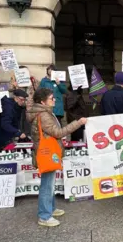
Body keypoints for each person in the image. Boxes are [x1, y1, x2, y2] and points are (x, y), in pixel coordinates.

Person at [26, 88, 87, 227]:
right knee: (47, 185)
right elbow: (58, 133)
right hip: (47, 153)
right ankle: (44, 216)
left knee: (50, 183)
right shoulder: (44, 115)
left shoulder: (43, 112)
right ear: (43, 101)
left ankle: (51, 209)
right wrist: (78, 123)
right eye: (51, 98)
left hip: (47, 152)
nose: (54, 100)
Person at [0, 90, 29, 155]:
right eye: (22, 100)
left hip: (8, 134)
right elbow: (5, 124)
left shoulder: (16, 105)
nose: (23, 102)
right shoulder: (8, 107)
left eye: (24, 100)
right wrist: (17, 132)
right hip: (3, 135)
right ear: (16, 98)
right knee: (3, 156)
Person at [9, 65, 39, 138]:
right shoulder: (15, 80)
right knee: (19, 121)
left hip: (29, 104)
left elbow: (38, 90)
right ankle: (20, 136)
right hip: (19, 104)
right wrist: (14, 84)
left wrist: (34, 81)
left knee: (28, 122)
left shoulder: (32, 80)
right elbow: (10, 90)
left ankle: (28, 136)